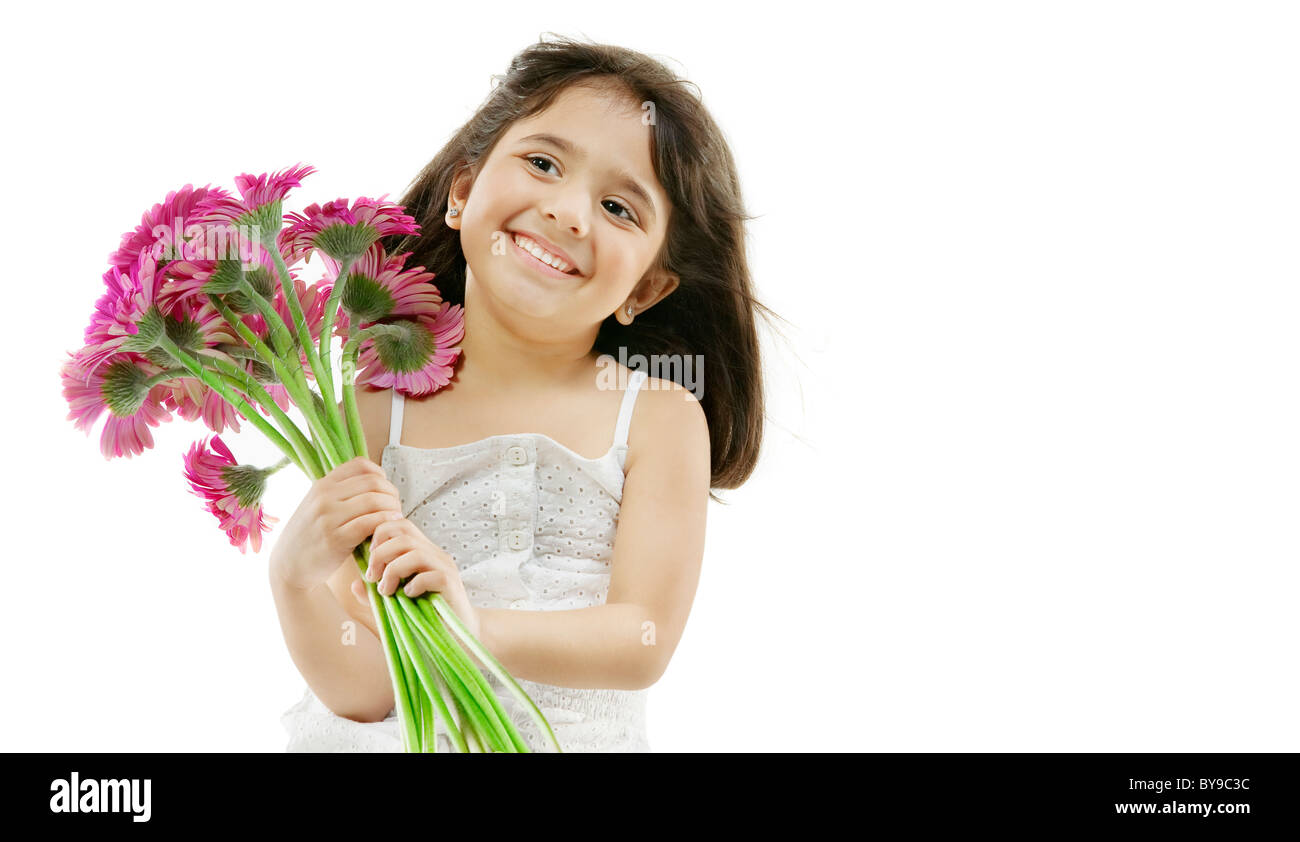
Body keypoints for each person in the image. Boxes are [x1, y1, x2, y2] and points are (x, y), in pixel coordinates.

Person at [270, 34, 773, 752]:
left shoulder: (658, 417)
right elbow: (363, 688)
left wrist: (470, 626)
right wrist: (292, 581)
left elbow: (641, 640)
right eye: (542, 163)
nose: (569, 211)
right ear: (465, 191)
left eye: (619, 208)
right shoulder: (377, 408)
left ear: (648, 289)